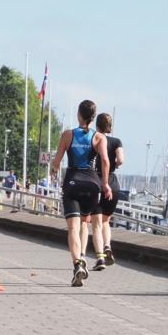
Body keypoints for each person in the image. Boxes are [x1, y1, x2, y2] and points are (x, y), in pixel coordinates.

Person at [50, 99, 112, 288]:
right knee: (85, 223)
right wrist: (105, 184)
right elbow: (105, 161)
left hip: (73, 182)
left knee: (73, 228)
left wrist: (53, 172)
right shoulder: (99, 137)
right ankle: (84, 256)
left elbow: (57, 161)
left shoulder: (68, 135)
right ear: (93, 117)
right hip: (92, 185)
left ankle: (78, 263)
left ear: (79, 114)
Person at [91, 113, 124, 270]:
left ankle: (101, 258)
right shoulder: (116, 141)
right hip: (113, 182)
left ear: (97, 125)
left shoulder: (95, 139)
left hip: (96, 181)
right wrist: (115, 164)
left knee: (96, 223)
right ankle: (107, 245)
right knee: (106, 221)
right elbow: (121, 160)